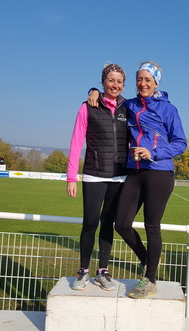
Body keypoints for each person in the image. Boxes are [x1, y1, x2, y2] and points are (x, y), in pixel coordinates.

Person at [92, 61, 187, 299]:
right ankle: (149, 260)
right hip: (134, 172)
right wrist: (93, 92)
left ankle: (150, 278)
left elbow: (180, 143)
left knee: (151, 225)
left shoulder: (169, 109)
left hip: (159, 172)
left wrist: (152, 153)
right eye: (139, 79)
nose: (142, 83)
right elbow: (110, 97)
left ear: (156, 83)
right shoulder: (130, 105)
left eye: (147, 80)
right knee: (121, 224)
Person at [67, 64, 128, 291]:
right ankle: (83, 271)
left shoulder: (127, 108)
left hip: (119, 177)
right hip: (93, 174)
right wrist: (71, 178)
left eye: (120, 81)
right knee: (90, 223)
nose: (115, 85)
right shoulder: (88, 106)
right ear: (103, 82)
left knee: (108, 224)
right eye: (111, 80)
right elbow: (76, 143)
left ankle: (103, 271)